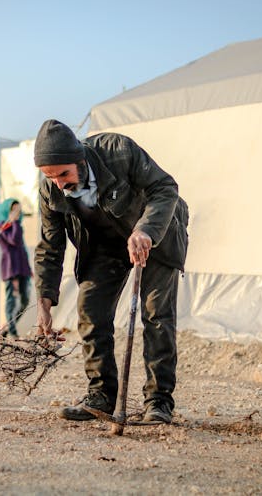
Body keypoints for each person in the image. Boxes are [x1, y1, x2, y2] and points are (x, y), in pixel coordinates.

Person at [32, 119, 189, 424]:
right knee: (90, 310)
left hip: (156, 233)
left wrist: (145, 230)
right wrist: (44, 302)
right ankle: (101, 396)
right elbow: (50, 246)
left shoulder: (118, 152)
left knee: (156, 313)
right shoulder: (50, 190)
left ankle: (158, 401)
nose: (59, 183)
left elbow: (165, 187)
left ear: (80, 160)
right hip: (105, 246)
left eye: (64, 174)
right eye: (50, 176)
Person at [0, 198, 32, 338]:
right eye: (14, 209)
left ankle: (9, 326)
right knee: (11, 299)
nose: (17, 213)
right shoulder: (2, 226)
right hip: (11, 267)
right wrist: (14, 221)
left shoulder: (18, 226)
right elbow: (13, 240)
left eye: (18, 210)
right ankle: (12, 331)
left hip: (22, 267)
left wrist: (29, 269)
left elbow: (22, 248)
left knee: (25, 300)